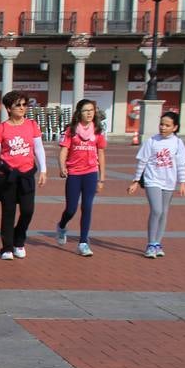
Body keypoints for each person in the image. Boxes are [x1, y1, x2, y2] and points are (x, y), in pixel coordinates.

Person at [0, 91, 47, 261]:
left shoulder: (32, 125)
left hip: (27, 175)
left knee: (28, 211)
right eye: (18, 105)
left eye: (24, 104)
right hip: (7, 176)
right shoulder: (1, 128)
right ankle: (7, 247)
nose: (22, 108)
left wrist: (43, 169)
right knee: (8, 212)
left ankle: (19, 241)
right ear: (8, 108)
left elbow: (38, 148)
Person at [128, 110, 185, 258]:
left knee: (164, 212)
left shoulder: (178, 143)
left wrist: (182, 182)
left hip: (169, 181)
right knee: (156, 210)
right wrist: (136, 181)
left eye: (167, 125)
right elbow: (142, 161)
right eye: (161, 124)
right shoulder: (152, 141)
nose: (163, 127)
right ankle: (150, 244)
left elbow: (181, 164)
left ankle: (157, 243)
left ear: (175, 127)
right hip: (152, 179)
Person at [56, 99, 107, 257]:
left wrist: (102, 178)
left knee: (87, 207)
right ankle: (62, 225)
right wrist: (62, 166)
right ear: (79, 113)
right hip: (74, 174)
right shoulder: (71, 130)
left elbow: (101, 154)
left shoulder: (97, 130)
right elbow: (64, 150)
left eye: (92, 110)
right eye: (86, 110)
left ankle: (83, 242)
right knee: (71, 209)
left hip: (91, 173)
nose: (90, 113)